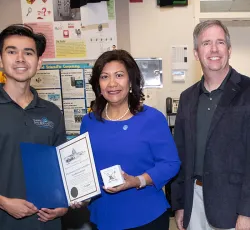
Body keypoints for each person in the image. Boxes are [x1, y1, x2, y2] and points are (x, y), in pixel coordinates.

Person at [79, 49, 180, 229]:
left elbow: (171, 163)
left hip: (146, 216)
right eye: (104, 77)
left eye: (119, 75)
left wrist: (137, 180)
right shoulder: (89, 121)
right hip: (103, 216)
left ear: (131, 81)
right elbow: (84, 166)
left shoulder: (151, 118)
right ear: (98, 85)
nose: (112, 83)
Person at [171, 20, 250, 230]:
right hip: (194, 201)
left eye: (220, 42)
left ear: (229, 49)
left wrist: (247, 211)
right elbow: (180, 154)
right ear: (196, 53)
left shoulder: (248, 91)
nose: (214, 49)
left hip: (233, 208)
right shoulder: (187, 98)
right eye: (206, 43)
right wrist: (179, 205)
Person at [0, 24, 68, 230]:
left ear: (38, 63)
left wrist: (64, 205)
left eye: (28, 53)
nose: (20, 58)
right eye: (12, 51)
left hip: (45, 223)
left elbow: (62, 167)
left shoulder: (52, 113)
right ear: (0, 60)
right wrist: (3, 202)